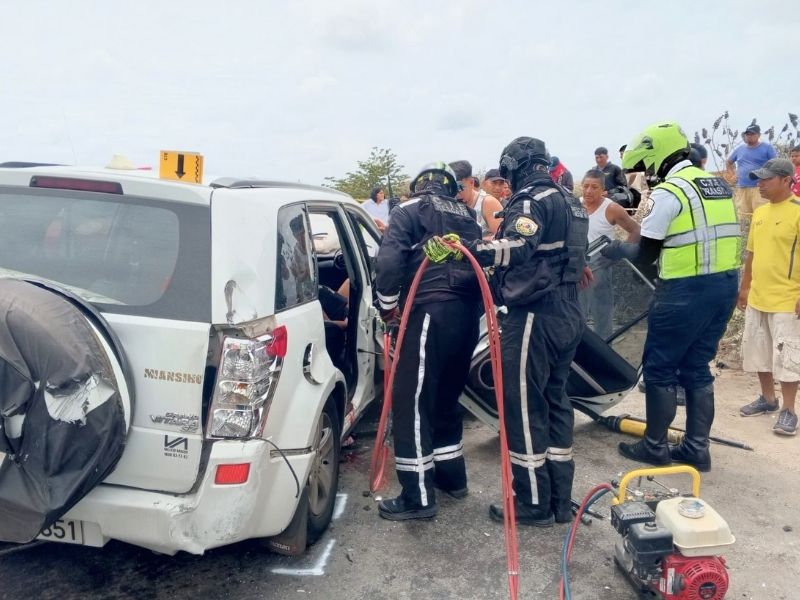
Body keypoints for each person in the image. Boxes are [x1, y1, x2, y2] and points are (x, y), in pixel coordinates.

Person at [430, 137, 589, 526]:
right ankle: (558, 499)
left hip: (536, 314)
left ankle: (532, 503)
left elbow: (518, 244)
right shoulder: (570, 200)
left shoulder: (533, 199)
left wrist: (467, 249)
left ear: (515, 167)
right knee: (555, 403)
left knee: (522, 407)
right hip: (569, 312)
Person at [603, 121, 740, 472]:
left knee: (660, 369)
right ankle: (696, 449)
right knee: (696, 367)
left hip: (683, 290)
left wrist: (616, 249)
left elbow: (645, 254)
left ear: (658, 156)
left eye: (647, 165)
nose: (647, 174)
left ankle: (655, 447)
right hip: (723, 286)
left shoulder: (670, 192)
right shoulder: (717, 185)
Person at [374, 162, 483, 520]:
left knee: (413, 401)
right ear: (451, 187)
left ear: (419, 186)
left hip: (427, 313)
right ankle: (452, 478)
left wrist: (388, 307)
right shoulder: (466, 214)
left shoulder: (407, 209)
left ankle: (417, 497)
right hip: (466, 316)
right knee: (446, 397)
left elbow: (388, 261)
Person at [737, 158, 800, 436]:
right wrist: (744, 287)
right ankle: (768, 399)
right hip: (758, 296)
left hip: (787, 299)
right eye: (759, 179)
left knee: (787, 359)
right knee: (759, 352)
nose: (760, 184)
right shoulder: (760, 213)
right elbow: (751, 254)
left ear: (786, 180)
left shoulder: (798, 212)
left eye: (766, 179)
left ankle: (789, 410)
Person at [579, 169, 641, 340]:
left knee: (602, 318)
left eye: (594, 187)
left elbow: (636, 230)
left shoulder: (612, 209)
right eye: (586, 186)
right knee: (577, 317)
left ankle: (604, 354)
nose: (589, 191)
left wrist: (619, 253)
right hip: (577, 268)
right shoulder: (575, 206)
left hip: (600, 267)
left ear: (603, 190)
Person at [726, 124, 777, 218]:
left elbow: (776, 164)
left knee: (761, 215)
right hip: (742, 188)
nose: (749, 136)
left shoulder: (767, 148)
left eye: (752, 134)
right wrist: (731, 174)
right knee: (743, 217)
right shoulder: (740, 149)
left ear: (758, 135)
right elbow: (729, 162)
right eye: (747, 134)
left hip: (760, 188)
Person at [450, 160, 504, 238]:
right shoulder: (451, 203)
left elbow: (502, 236)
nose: (456, 194)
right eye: (451, 189)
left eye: (460, 188)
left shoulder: (488, 203)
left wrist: (472, 243)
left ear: (471, 183)